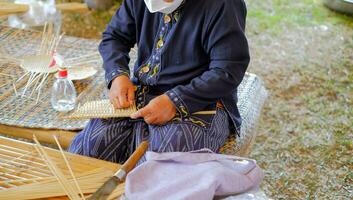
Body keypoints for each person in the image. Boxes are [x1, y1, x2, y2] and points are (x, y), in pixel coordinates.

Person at [68, 0, 249, 163]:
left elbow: (228, 69)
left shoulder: (223, 4)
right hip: (141, 94)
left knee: (163, 162)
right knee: (89, 148)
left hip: (199, 101)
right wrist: (117, 76)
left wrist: (175, 101)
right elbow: (115, 37)